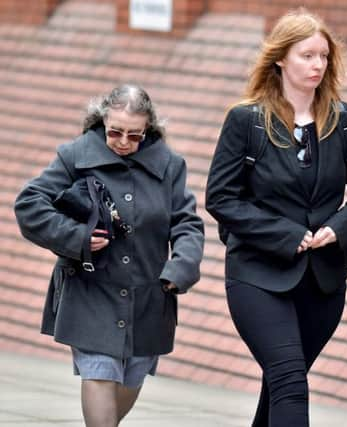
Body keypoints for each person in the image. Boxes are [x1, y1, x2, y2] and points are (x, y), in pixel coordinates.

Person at [205, 8, 347, 427]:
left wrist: (335, 229)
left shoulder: (344, 120)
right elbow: (222, 198)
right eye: (307, 56)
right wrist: (287, 234)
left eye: (323, 56)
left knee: (283, 383)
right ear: (280, 59)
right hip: (257, 274)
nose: (317, 65)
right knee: (289, 379)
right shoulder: (246, 120)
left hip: (322, 280)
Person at [14, 84, 204, 427]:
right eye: (115, 132)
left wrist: (181, 268)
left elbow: (187, 224)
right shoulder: (75, 156)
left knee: (130, 380)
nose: (123, 142)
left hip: (149, 298)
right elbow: (29, 206)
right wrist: (78, 237)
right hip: (90, 292)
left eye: (134, 135)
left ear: (149, 129)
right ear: (102, 121)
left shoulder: (170, 166)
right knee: (99, 374)